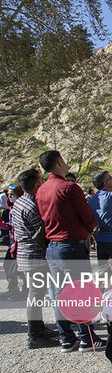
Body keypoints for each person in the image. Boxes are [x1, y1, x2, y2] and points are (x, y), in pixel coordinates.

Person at [35, 150, 103, 353]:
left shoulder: (41, 190)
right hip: (72, 245)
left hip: (52, 246)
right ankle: (86, 337)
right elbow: (87, 217)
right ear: (59, 162)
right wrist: (90, 229)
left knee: (58, 294)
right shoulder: (69, 188)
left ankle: (66, 338)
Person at [12, 169, 59, 348]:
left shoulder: (19, 202)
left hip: (25, 256)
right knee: (36, 295)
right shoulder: (32, 206)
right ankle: (34, 334)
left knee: (36, 293)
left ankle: (38, 327)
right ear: (36, 185)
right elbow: (41, 233)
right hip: (35, 257)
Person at [1, 183, 25, 300]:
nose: (10, 197)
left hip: (20, 244)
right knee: (7, 265)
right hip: (12, 244)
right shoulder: (10, 209)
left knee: (19, 269)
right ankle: (13, 288)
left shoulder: (20, 207)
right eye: (9, 195)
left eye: (12, 195)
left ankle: (26, 290)